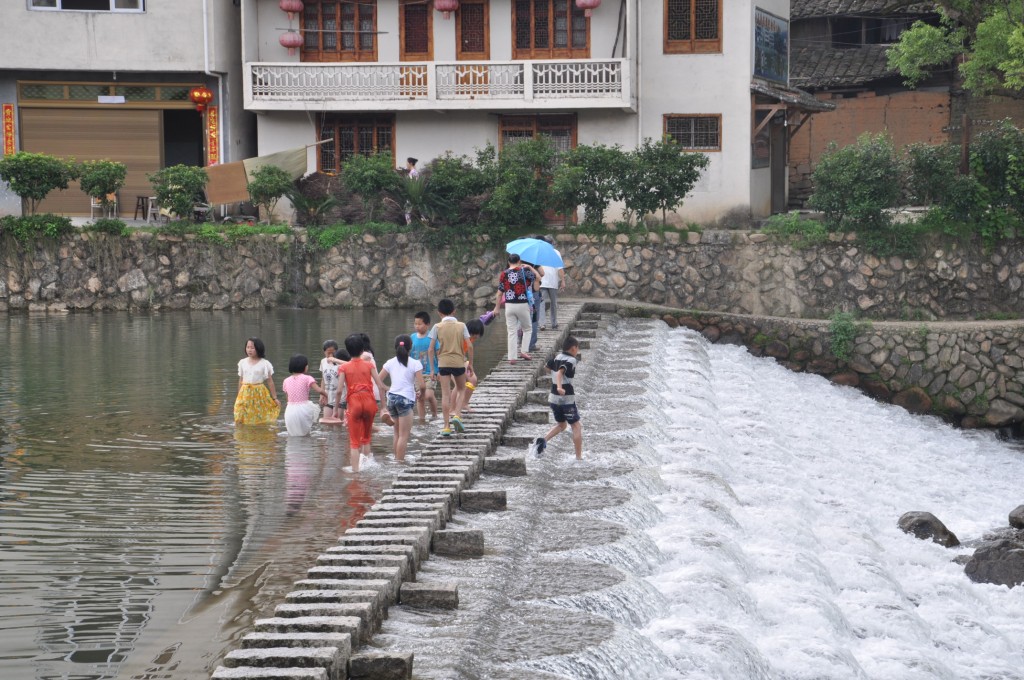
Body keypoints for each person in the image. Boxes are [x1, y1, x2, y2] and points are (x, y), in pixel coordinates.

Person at [337, 333, 388, 471]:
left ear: (348, 351)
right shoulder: (369, 365)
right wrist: (384, 406)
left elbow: (339, 390)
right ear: (362, 350)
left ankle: (355, 472)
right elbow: (380, 385)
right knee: (366, 438)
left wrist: (336, 410)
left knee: (354, 443)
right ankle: (367, 466)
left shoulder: (344, 367)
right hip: (369, 402)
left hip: (354, 403)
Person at [532, 336, 583, 460]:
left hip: (553, 398)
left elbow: (547, 367)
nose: (577, 351)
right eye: (577, 348)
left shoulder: (557, 357)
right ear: (573, 348)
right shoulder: (572, 360)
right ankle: (579, 457)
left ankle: (543, 440)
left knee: (562, 425)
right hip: (565, 397)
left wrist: (555, 380)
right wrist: (560, 386)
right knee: (576, 426)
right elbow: (561, 372)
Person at [427, 298, 472, 437]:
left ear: (439, 312)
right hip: (458, 362)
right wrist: (471, 363)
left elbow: (430, 349)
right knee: (462, 388)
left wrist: (433, 370)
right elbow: (469, 346)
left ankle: (446, 426)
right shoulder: (461, 325)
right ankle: (457, 415)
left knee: (446, 395)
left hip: (443, 363)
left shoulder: (436, 327)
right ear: (454, 311)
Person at [379, 334, 425, 462]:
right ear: (411, 348)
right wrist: (421, 393)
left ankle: (395, 459)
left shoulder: (390, 362)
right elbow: (422, 384)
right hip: (405, 399)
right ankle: (400, 463)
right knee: (404, 436)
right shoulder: (415, 363)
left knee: (396, 433)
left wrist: (387, 388)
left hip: (392, 398)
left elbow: (378, 380)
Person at [492, 253, 536, 364]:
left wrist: (497, 308)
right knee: (527, 329)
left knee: (511, 331)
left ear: (508, 262)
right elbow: (538, 277)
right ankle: (524, 351)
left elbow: (499, 294)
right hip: (522, 304)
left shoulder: (504, 274)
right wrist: (530, 267)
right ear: (519, 261)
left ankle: (512, 357)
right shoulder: (524, 272)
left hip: (509, 305)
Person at [234, 337, 279, 425]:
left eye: (252, 348)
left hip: (259, 392)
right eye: (248, 347)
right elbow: (241, 380)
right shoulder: (242, 362)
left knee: (259, 414)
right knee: (241, 414)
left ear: (258, 349)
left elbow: (270, 381)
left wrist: (275, 398)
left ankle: (258, 432)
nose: (249, 350)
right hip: (245, 392)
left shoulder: (265, 363)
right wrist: (239, 395)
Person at [282, 354, 327, 436]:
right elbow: (319, 390)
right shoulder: (307, 378)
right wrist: (326, 396)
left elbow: (288, 399)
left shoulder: (286, 381)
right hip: (303, 409)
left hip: (290, 410)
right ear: (305, 367)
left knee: (293, 435)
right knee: (305, 434)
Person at [410, 311, 439, 422]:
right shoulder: (412, 337)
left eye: (420, 324)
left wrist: (439, 370)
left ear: (427, 324)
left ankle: (434, 415)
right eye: (415, 324)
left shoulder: (432, 337)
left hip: (431, 372)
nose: (417, 326)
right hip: (418, 375)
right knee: (420, 398)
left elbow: (438, 353)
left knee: (428, 395)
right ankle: (422, 421)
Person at [455, 318, 485, 415]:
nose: (475, 336)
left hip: (462, 359)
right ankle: (454, 408)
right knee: (459, 384)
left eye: (477, 334)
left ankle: (464, 403)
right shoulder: (460, 336)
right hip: (453, 361)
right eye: (473, 334)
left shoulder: (470, 339)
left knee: (473, 379)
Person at [540, 249, 564, 329]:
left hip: (542, 281)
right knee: (553, 303)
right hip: (553, 282)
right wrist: (563, 281)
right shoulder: (556, 252)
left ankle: (542, 324)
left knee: (541, 303)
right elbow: (560, 268)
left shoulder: (540, 251)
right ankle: (554, 323)